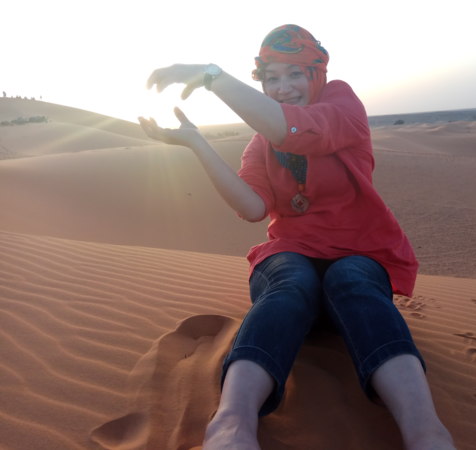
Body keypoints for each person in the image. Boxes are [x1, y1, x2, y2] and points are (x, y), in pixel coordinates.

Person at [139, 24, 454, 450]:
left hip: (359, 250)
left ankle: (426, 431)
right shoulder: (260, 145)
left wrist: (212, 76)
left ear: (316, 74)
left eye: (294, 74)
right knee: (291, 281)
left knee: (352, 278)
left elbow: (292, 129)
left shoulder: (341, 103)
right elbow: (253, 208)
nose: (282, 87)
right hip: (291, 255)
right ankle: (231, 424)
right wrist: (197, 143)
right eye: (271, 78)